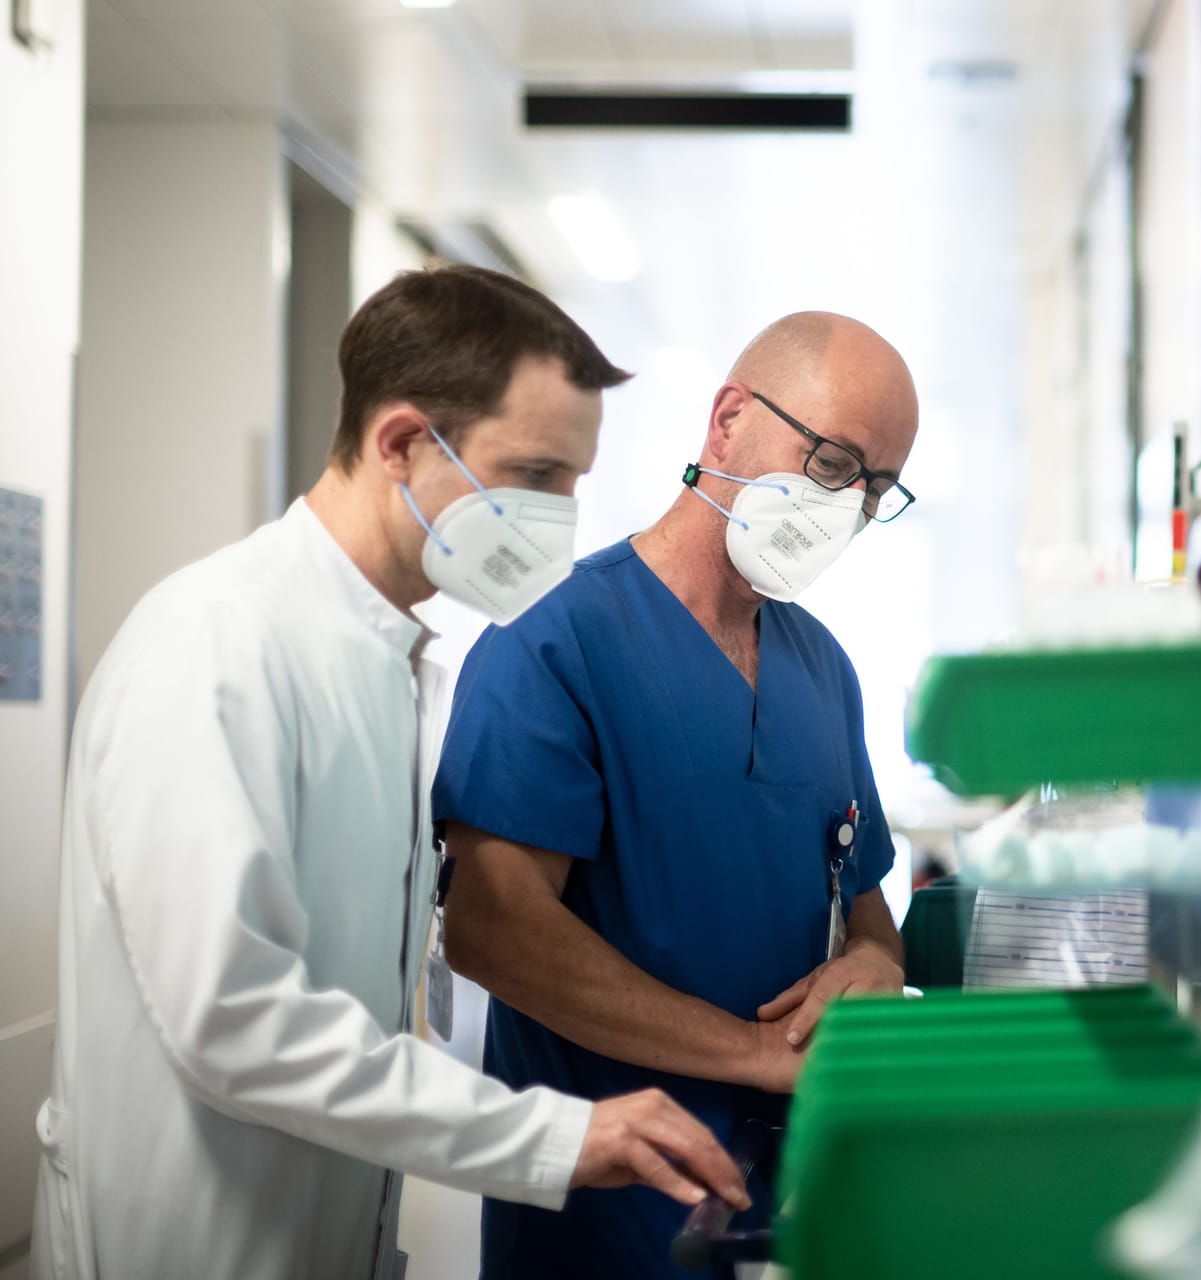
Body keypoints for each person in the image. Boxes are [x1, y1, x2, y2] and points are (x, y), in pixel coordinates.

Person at [30, 265, 747, 1280]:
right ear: (403, 441)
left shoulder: (383, 656)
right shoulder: (218, 648)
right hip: (188, 1238)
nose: (561, 516)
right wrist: (549, 1135)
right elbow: (235, 1016)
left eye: (576, 482)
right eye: (536, 474)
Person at [434, 311, 918, 1277]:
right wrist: (752, 1053)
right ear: (728, 420)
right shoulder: (553, 642)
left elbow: (862, 905)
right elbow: (493, 929)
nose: (847, 504)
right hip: (610, 1212)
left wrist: (873, 959)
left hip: (780, 1201)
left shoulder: (822, 668)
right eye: (831, 463)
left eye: (875, 489)